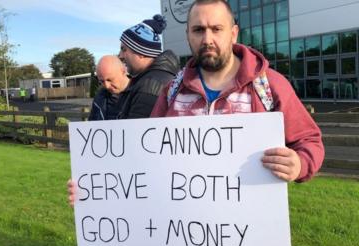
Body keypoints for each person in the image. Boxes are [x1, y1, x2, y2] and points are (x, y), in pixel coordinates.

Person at [150, 0, 324, 182]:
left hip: (251, 207)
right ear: (188, 35)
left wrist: (299, 164)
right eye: (198, 30)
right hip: (184, 207)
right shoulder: (172, 90)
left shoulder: (269, 85)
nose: (207, 39)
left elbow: (310, 141)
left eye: (216, 29)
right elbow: (151, 148)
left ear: (233, 34)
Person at [115, 14, 180, 118]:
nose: (120, 56)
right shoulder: (151, 80)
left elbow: (136, 132)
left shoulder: (150, 86)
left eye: (124, 49)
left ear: (141, 52)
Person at [88, 55, 132, 120]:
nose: (107, 86)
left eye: (109, 80)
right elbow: (91, 123)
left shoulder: (141, 94)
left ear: (123, 71)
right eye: (102, 81)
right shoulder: (99, 98)